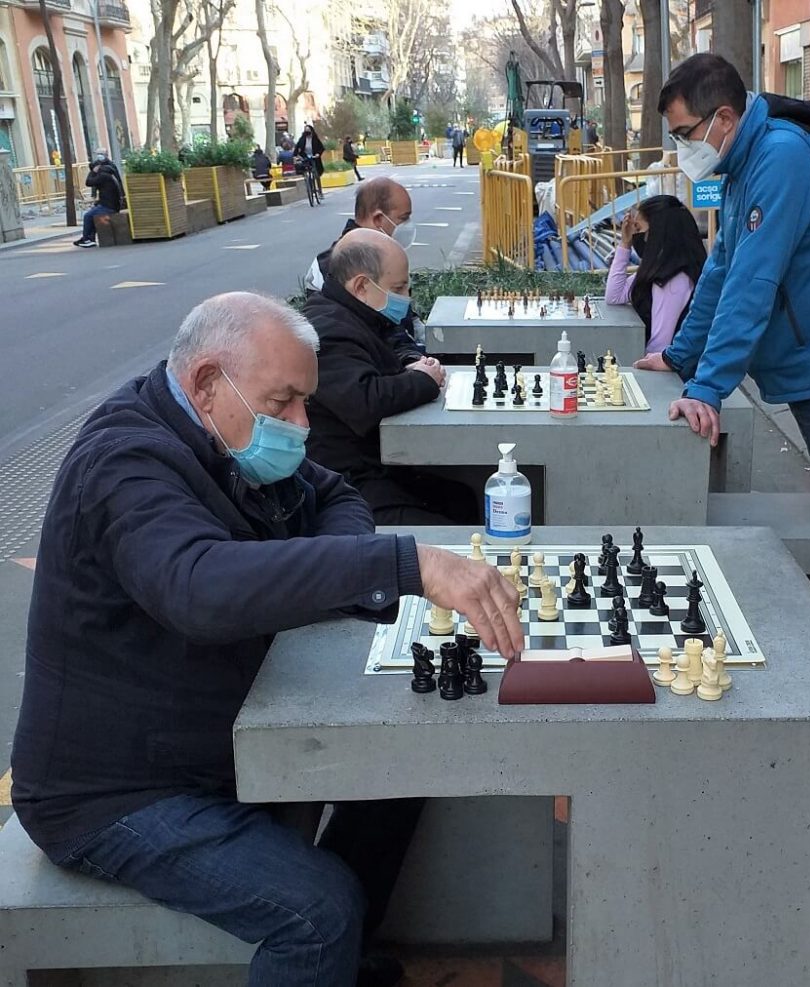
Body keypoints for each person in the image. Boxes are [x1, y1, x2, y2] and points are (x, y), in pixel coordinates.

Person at [10, 291, 523, 986]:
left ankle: (329, 968)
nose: (301, 424)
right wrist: (407, 563)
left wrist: (336, 573)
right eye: (283, 402)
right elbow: (199, 586)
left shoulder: (227, 437)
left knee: (404, 767)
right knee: (318, 912)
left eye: (303, 402)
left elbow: (338, 493)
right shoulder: (125, 459)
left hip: (213, 741)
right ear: (205, 383)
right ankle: (323, 948)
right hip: (115, 793)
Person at [633, 53, 810, 526]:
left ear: (724, 118)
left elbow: (751, 285)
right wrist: (680, 355)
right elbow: (720, 272)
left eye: (686, 134)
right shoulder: (743, 164)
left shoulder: (779, 159)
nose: (684, 147)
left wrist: (707, 389)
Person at [304, 230, 478, 524]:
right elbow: (364, 400)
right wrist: (424, 380)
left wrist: (412, 362)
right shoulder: (326, 330)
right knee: (447, 528)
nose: (406, 298)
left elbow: (393, 346)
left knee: (462, 499)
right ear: (361, 286)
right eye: (398, 288)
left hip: (375, 466)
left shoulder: (356, 313)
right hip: (347, 483)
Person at [605, 194, 707, 356]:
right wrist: (625, 244)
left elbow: (659, 346)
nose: (635, 236)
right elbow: (615, 296)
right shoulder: (664, 268)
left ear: (657, 232)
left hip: (674, 375)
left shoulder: (671, 280)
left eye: (638, 229)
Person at [304, 176, 415, 292]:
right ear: (378, 219)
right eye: (403, 218)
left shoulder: (385, 255)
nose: (408, 224)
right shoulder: (331, 269)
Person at [74, 153, 123, 248]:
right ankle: (89, 238)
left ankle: (87, 239)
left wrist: (92, 172)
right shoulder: (109, 174)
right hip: (110, 204)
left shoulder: (103, 176)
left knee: (88, 216)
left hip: (109, 207)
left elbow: (88, 182)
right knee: (93, 212)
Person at [294, 122, 325, 191]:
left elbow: (321, 148)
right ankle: (311, 188)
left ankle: (319, 190)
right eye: (306, 130)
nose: (307, 132)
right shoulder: (302, 139)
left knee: (316, 174)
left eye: (308, 130)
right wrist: (295, 155)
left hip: (314, 157)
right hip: (305, 157)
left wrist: (318, 154)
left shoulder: (315, 139)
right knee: (307, 174)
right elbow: (297, 147)